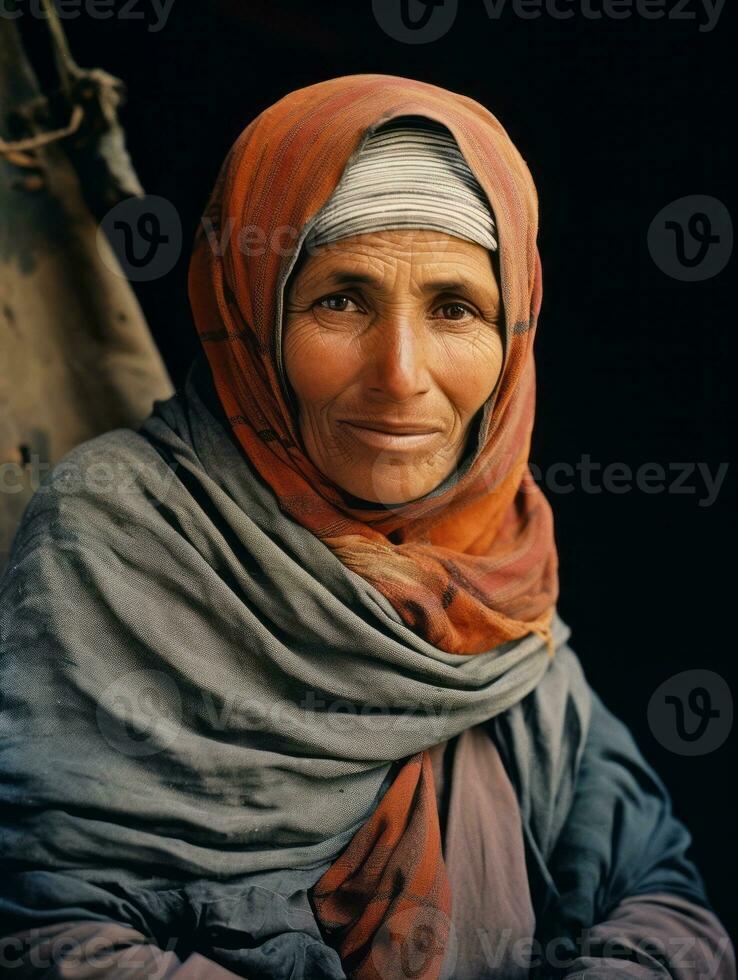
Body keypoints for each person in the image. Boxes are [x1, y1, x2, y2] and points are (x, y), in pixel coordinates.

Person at [0, 73, 733, 980]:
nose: (400, 373)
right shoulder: (118, 531)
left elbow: (660, 892)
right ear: (247, 307)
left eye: (455, 308)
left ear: (516, 333)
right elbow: (49, 932)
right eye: (340, 300)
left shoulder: (494, 562)